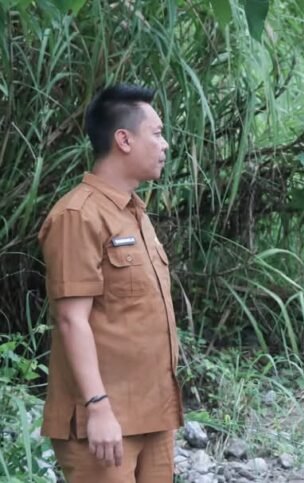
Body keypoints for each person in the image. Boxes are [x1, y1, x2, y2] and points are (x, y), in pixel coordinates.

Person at [38, 84, 181, 482]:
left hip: (153, 414)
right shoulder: (78, 216)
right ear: (123, 139)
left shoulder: (134, 213)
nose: (165, 144)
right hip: (102, 422)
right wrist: (98, 407)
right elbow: (72, 320)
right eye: (156, 133)